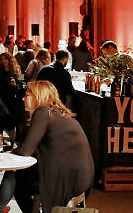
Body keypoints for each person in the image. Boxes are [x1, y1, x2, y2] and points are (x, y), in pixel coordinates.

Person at [14, 81, 94, 213]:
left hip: (66, 178)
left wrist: (10, 152)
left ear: (38, 96)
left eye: (27, 95)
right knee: (22, 177)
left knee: (18, 183)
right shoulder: (56, 113)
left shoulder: (43, 112)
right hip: (82, 175)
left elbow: (26, 150)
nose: (23, 98)